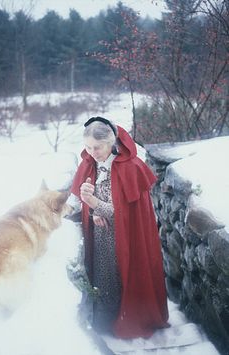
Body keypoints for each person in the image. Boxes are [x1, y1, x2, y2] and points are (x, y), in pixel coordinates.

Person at [70, 116, 169, 339]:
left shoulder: (130, 167)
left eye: (97, 147)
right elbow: (84, 201)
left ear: (111, 142)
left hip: (126, 239)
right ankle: (104, 325)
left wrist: (93, 203)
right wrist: (93, 212)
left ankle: (127, 321)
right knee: (103, 278)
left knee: (123, 276)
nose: (92, 152)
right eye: (87, 147)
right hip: (100, 237)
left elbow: (124, 214)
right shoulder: (89, 163)